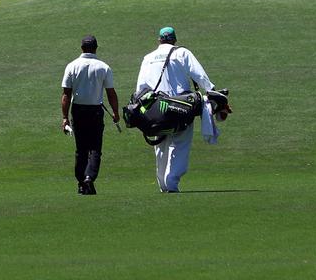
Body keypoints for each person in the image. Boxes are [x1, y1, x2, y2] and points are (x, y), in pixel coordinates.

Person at [134, 26, 214, 193]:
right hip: (179, 107)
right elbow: (199, 74)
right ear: (174, 40)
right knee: (180, 144)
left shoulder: (148, 58)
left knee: (160, 147)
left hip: (156, 109)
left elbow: (141, 87)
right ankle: (172, 181)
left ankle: (163, 184)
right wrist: (211, 91)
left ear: (159, 40)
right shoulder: (182, 53)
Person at [60, 34, 120, 196]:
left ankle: (81, 182)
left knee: (81, 149)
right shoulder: (103, 67)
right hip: (95, 112)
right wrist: (115, 112)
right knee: (95, 148)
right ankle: (89, 178)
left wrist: (65, 117)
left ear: (81, 48)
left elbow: (66, 94)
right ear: (96, 48)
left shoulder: (72, 66)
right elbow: (111, 93)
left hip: (78, 111)